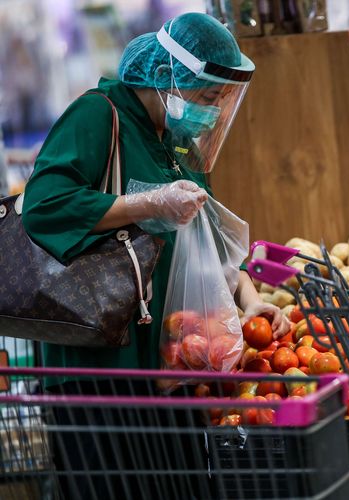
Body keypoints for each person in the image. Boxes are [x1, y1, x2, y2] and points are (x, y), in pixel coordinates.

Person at [21, 12, 290, 499]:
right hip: (100, 368)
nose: (210, 112)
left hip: (166, 362)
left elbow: (206, 233)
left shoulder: (175, 139)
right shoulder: (99, 115)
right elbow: (44, 206)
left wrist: (248, 298)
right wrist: (145, 204)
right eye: (207, 98)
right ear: (167, 77)